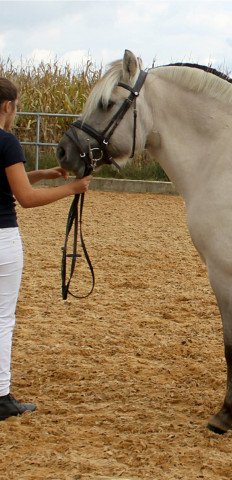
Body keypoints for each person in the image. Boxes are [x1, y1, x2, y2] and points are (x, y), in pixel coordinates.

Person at [0, 77, 91, 420]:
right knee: (2, 318)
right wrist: (72, 187)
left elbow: (12, 181)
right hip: (2, 238)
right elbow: (24, 198)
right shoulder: (6, 141)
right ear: (8, 106)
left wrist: (41, 173)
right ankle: (1, 396)